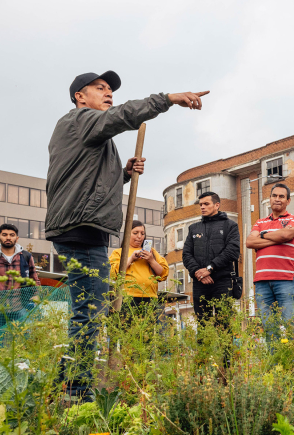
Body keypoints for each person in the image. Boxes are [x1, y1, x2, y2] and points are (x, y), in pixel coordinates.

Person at [45, 69, 207, 399]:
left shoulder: (87, 134)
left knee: (87, 308)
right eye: (99, 88)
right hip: (80, 230)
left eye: (110, 90)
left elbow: (89, 184)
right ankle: (77, 391)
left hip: (82, 227)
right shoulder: (81, 120)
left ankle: (73, 384)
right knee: (89, 310)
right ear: (80, 96)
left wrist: (123, 174)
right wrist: (168, 99)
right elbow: (124, 116)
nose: (109, 94)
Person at [246, 183, 294, 345]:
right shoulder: (260, 222)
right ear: (269, 199)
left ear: (288, 200)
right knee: (269, 328)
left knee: (292, 326)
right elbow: (250, 242)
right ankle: (276, 368)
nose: (277, 199)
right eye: (274, 196)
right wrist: (274, 237)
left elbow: (286, 234)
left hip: (285, 280)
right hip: (262, 282)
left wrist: (262, 237)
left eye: (281, 196)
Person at [182, 192, 241, 329]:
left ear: (217, 205)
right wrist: (198, 272)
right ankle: (204, 351)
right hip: (200, 283)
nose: (202, 207)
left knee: (224, 325)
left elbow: (232, 251)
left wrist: (210, 269)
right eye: (200, 204)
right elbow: (186, 254)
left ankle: (225, 352)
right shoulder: (193, 228)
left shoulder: (230, 226)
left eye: (206, 204)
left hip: (222, 281)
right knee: (203, 326)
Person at [0, 223, 41, 339]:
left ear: (17, 238)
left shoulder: (25, 256)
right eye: (4, 235)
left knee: (26, 339)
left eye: (12, 235)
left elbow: (34, 278)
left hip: (20, 307)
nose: (8, 237)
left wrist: (36, 297)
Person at [109, 220, 169, 316]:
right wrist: (131, 258)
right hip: (127, 297)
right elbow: (114, 273)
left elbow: (163, 273)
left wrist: (151, 260)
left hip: (150, 297)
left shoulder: (152, 252)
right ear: (127, 234)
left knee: (147, 330)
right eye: (135, 233)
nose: (139, 236)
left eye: (142, 233)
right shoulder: (119, 252)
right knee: (127, 328)